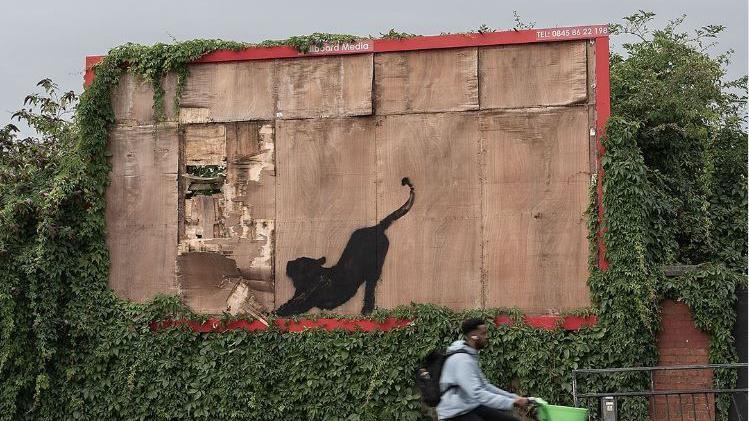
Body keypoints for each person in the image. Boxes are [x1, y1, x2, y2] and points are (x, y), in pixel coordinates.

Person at [437, 318, 530, 421]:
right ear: (474, 336)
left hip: (470, 407)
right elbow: (477, 393)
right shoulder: (462, 360)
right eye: (483, 333)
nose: (487, 336)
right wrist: (511, 402)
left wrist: (513, 398)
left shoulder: (469, 356)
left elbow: (485, 386)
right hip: (454, 413)